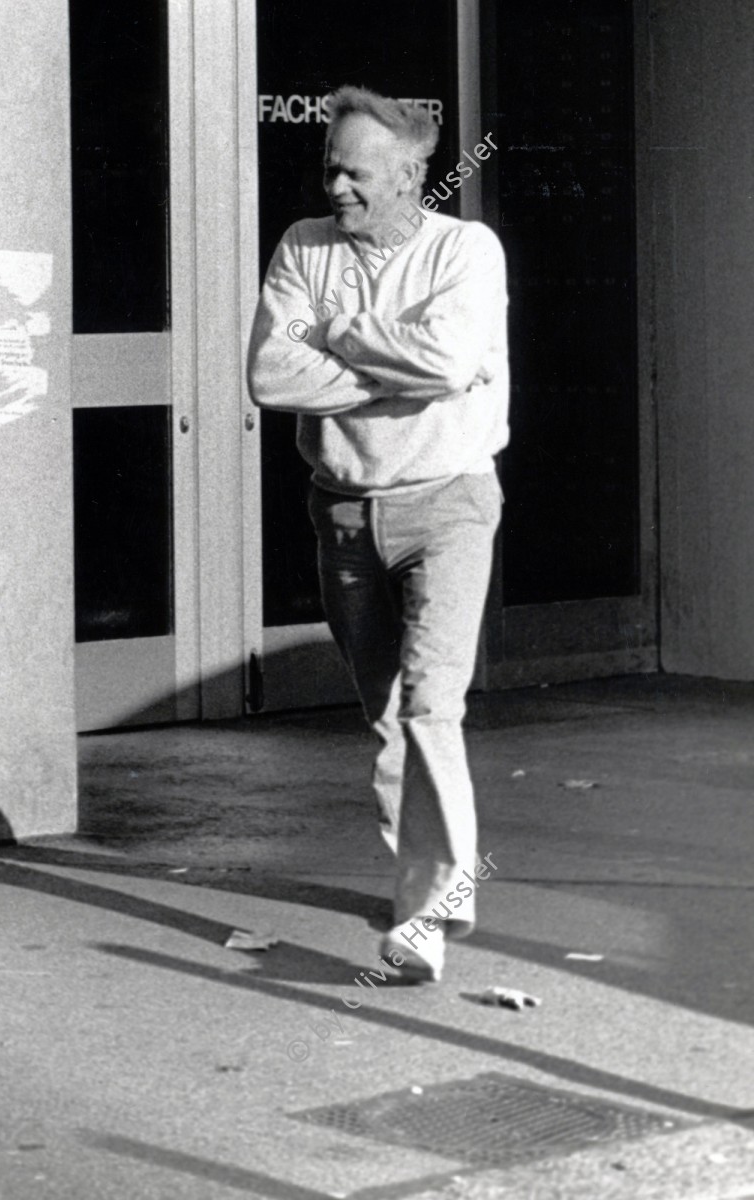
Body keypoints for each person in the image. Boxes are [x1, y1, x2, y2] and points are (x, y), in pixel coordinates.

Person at [246, 86, 509, 983]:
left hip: (449, 503)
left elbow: (449, 358)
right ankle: (432, 880)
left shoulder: (466, 250)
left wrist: (341, 334)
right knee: (389, 715)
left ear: (410, 177)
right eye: (331, 169)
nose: (339, 188)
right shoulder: (300, 245)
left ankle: (426, 913)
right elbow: (271, 374)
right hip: (346, 512)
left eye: (357, 173)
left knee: (434, 702)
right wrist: (399, 374)